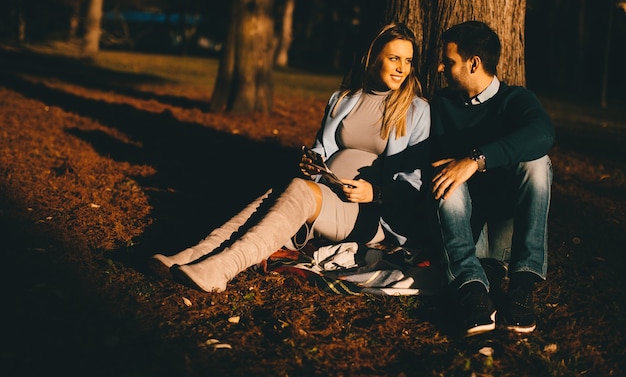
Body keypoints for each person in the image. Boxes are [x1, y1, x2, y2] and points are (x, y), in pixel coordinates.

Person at [149, 22, 431, 292]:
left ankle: (221, 270)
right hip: (325, 194)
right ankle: (192, 256)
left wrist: (376, 193)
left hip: (369, 214)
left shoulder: (417, 110)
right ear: (373, 57)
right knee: (273, 197)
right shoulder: (343, 100)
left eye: (408, 61)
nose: (402, 68)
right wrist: (311, 164)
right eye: (395, 58)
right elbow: (322, 149)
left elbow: (414, 182)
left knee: (295, 190)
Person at [429, 20, 554, 336]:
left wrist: (475, 160)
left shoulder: (515, 99)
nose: (441, 67)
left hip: (505, 229)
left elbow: (543, 134)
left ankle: (523, 286)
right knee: (446, 176)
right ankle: (472, 290)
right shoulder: (441, 104)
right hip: (464, 228)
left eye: (449, 61)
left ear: (474, 63)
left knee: (537, 163)